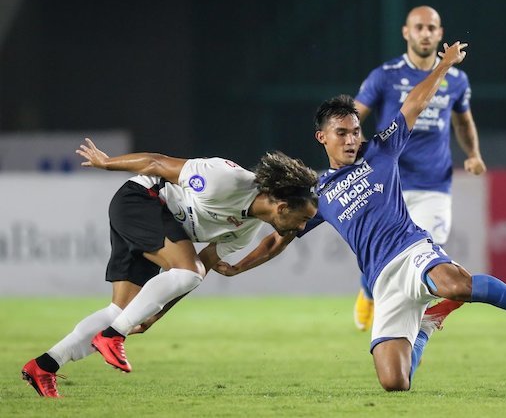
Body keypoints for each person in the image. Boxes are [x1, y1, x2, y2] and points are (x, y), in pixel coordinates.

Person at [217, 41, 506, 391]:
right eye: (342, 133)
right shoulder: (317, 192)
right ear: (323, 138)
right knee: (394, 383)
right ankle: (427, 326)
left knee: (455, 284)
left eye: (354, 130)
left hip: (411, 249)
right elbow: (275, 238)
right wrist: (236, 267)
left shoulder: (380, 150)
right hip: (382, 281)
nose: (351, 139)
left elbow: (414, 104)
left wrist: (443, 66)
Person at [21, 142, 319, 397]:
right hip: (140, 200)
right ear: (281, 207)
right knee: (175, 279)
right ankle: (113, 336)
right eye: (302, 218)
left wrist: (155, 315)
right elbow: (156, 163)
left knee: (121, 310)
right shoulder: (225, 179)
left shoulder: (245, 231)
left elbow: (197, 272)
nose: (302, 227)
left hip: (157, 221)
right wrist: (107, 162)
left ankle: (44, 366)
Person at [352, 5, 486, 331]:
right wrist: (361, 151)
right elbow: (353, 117)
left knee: (423, 253)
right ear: (406, 32)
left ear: (439, 34)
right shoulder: (384, 75)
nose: (425, 33)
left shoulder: (456, 79)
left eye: (431, 28)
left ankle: (407, 324)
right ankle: (369, 291)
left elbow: (463, 122)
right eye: (419, 27)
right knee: (381, 255)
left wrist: (473, 154)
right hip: (389, 183)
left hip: (433, 185)